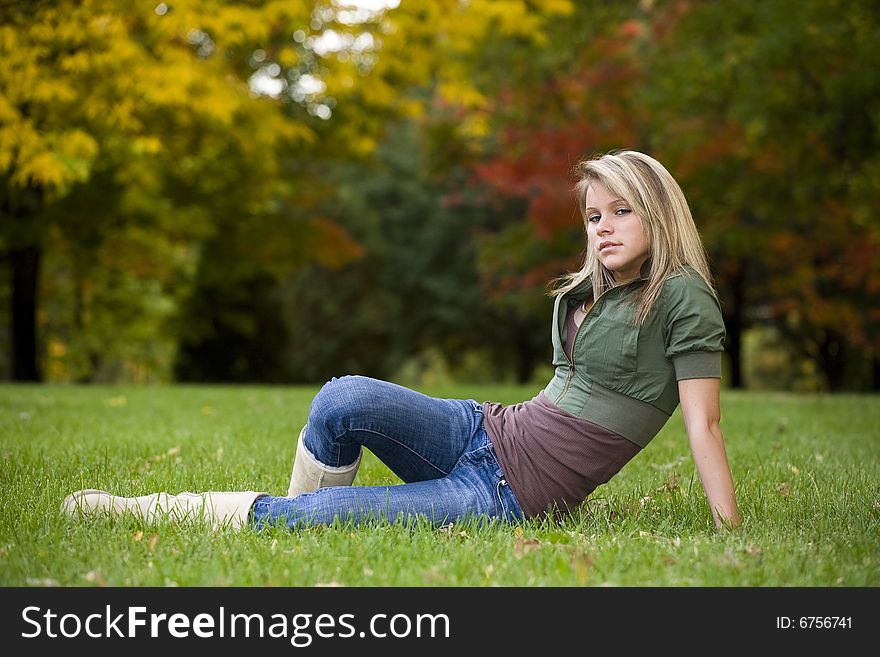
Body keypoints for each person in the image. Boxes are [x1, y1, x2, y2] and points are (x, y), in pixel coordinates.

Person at [63, 150, 741, 532]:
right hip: (485, 430)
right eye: (594, 214)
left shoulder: (681, 294)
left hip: (511, 494)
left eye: (622, 211)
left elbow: (702, 422)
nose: (603, 226)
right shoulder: (598, 289)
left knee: (303, 520)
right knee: (342, 398)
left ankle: (143, 511)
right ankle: (305, 511)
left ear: (658, 211)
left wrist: (729, 529)